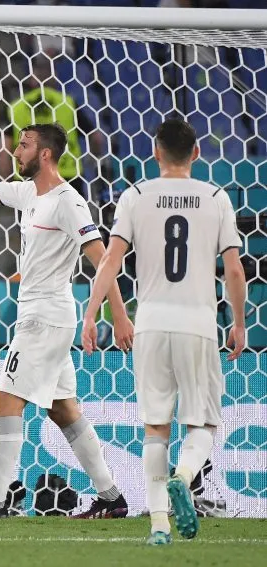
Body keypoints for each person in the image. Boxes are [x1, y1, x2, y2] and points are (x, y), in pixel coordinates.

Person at [0, 108, 133, 520]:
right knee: (62, 408)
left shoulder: (69, 202)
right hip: (40, 312)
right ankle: (111, 498)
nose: (17, 151)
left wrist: (117, 317)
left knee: (4, 401)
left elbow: (103, 261)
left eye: (25, 145)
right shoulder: (30, 194)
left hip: (47, 317)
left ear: (47, 154)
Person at [81, 118, 246, 545]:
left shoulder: (135, 196)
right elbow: (232, 269)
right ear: (195, 153)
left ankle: (158, 527)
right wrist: (240, 324)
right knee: (203, 425)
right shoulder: (216, 197)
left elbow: (111, 260)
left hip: (150, 326)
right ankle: (186, 475)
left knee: (156, 428)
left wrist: (91, 314)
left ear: (155, 153)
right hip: (198, 326)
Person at [0, 56, 105, 199]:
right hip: (67, 175)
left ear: (31, 78)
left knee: (33, 221)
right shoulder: (68, 103)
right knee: (68, 220)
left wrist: (7, 182)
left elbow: (4, 149)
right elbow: (96, 137)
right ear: (54, 77)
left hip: (29, 178)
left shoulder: (16, 107)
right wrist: (94, 159)